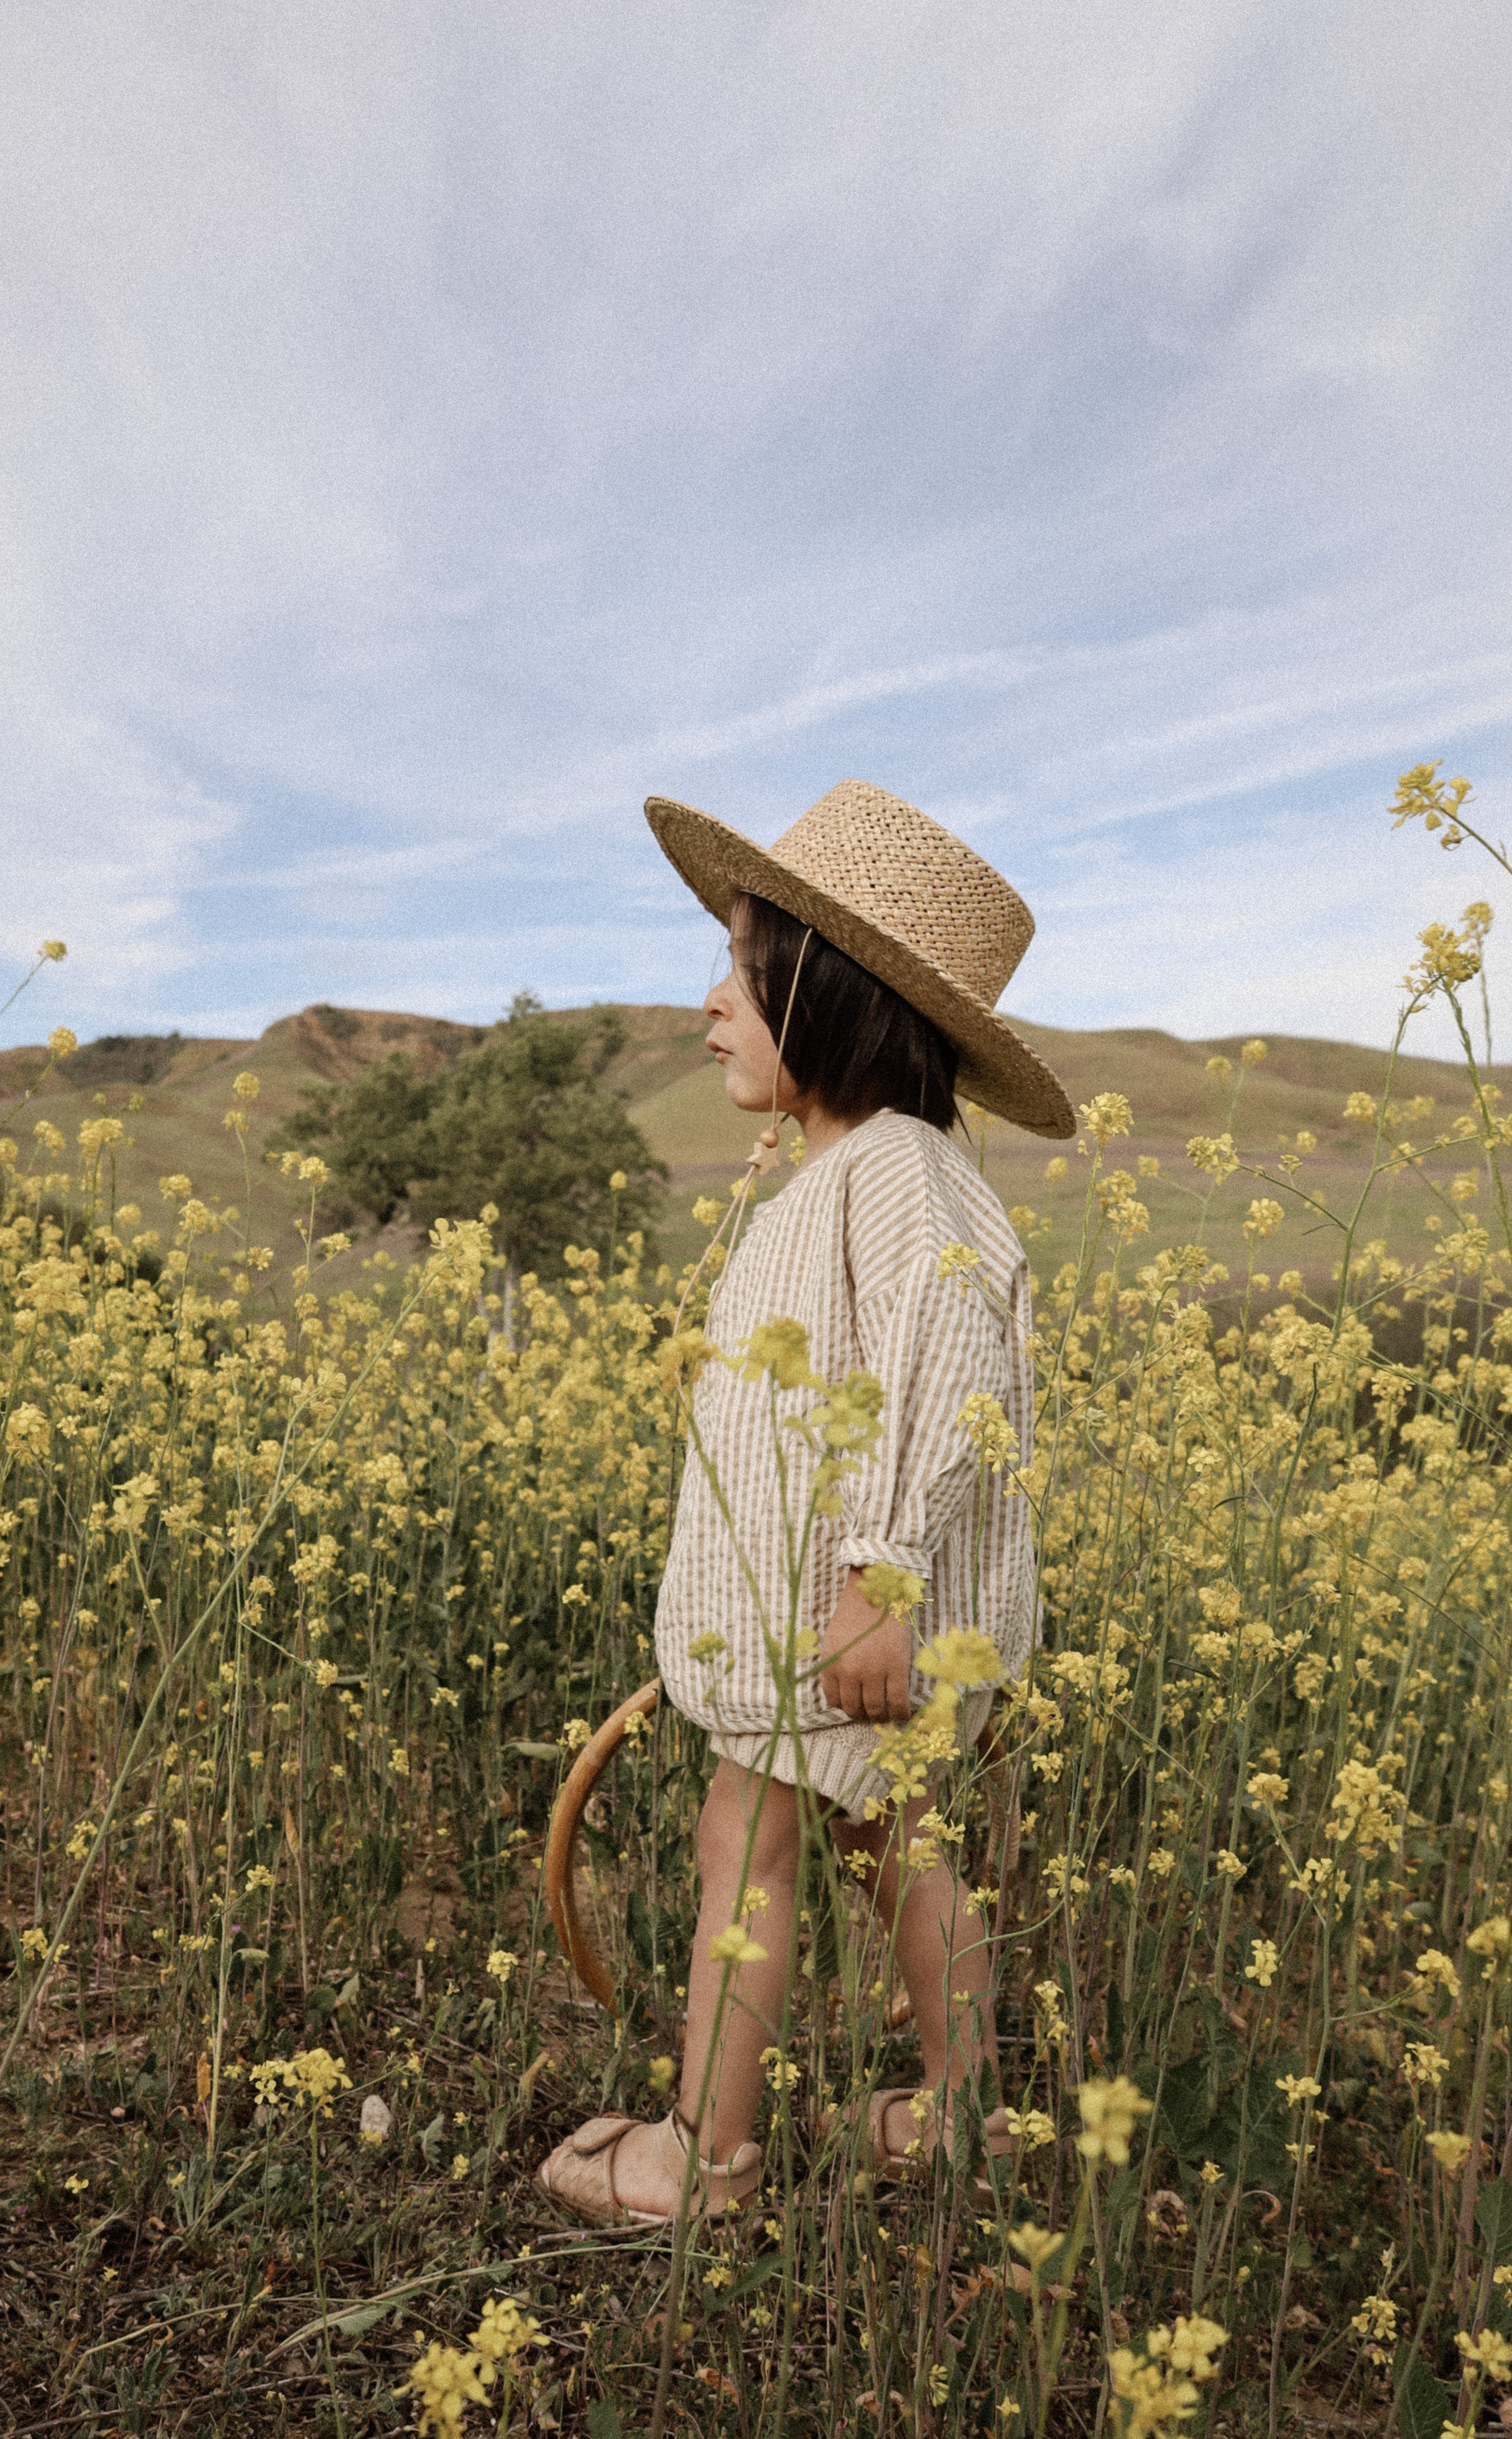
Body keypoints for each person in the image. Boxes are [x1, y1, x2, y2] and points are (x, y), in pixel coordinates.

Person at [537, 779, 1073, 2227]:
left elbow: (948, 1357)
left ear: (823, 994)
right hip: (832, 1628)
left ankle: (700, 2161)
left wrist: (880, 1581)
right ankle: (963, 2112)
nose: (709, 999)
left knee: (743, 1844)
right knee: (900, 1844)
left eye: (739, 966)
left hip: (850, 1624)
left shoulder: (897, 1166)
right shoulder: (836, 1172)